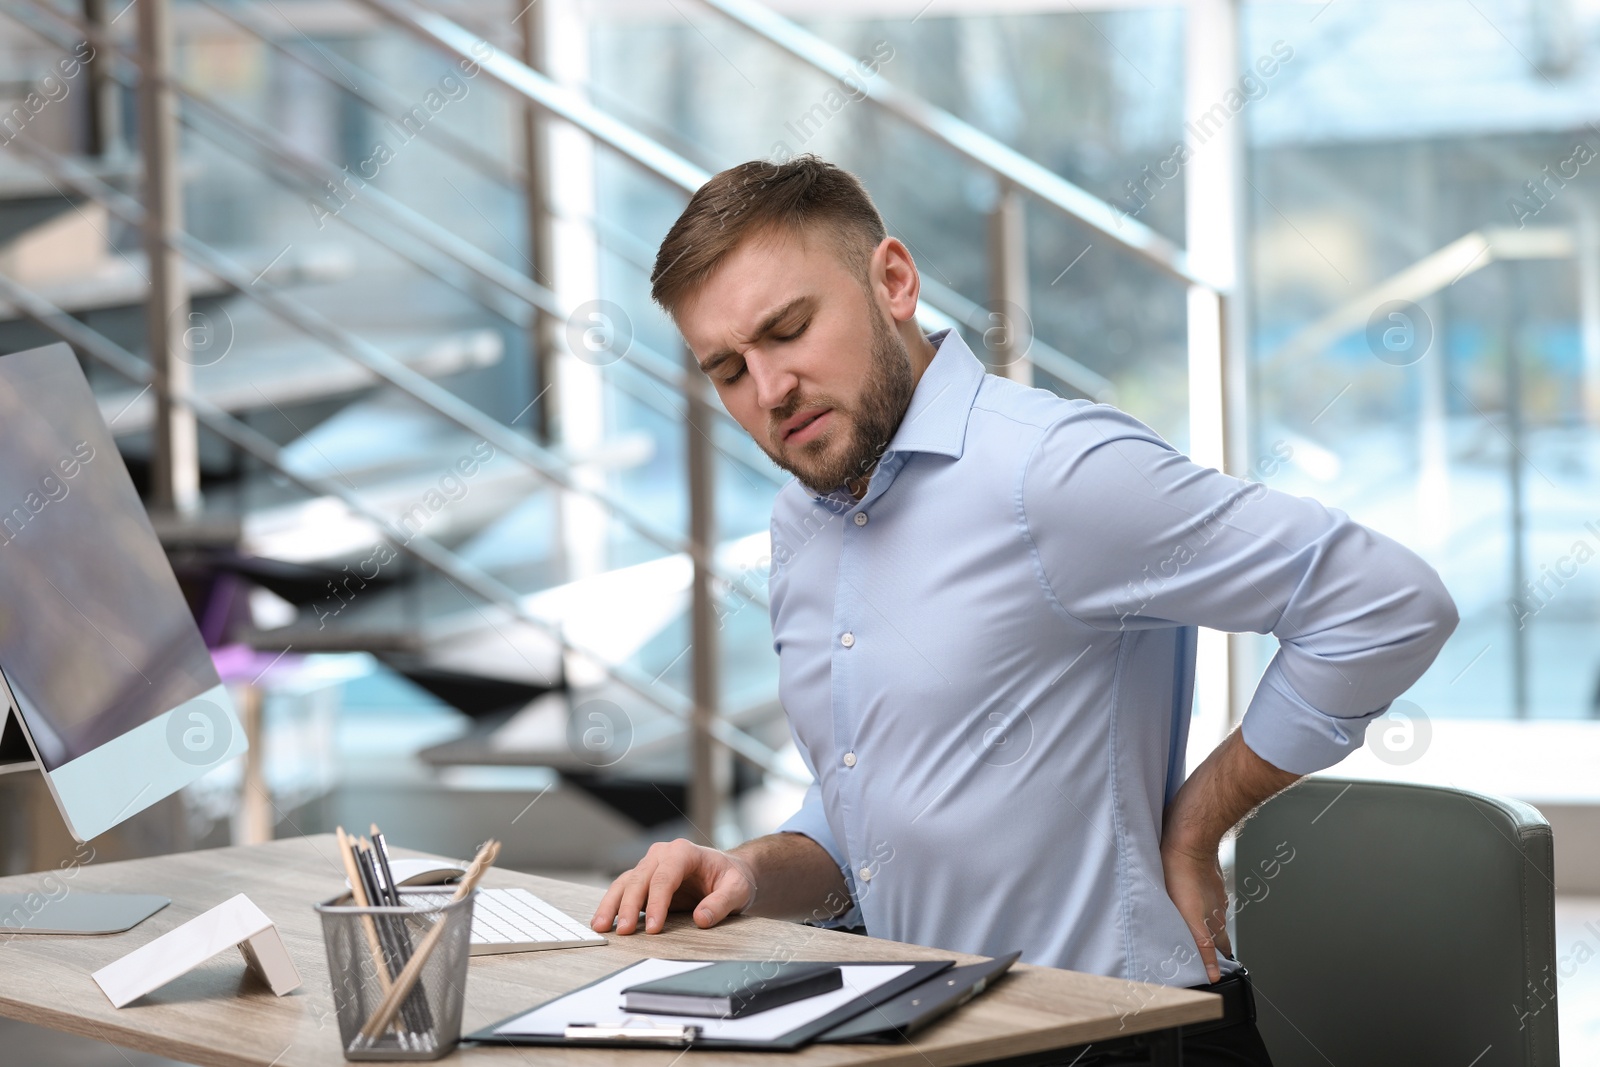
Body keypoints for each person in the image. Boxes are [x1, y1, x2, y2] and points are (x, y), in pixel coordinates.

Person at [589, 156, 1458, 1065]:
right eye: (728, 369)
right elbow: (872, 806)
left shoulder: (1052, 470)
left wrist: (1198, 822)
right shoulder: (801, 525)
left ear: (893, 279)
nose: (768, 392)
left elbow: (1386, 602)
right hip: (922, 1031)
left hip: (1114, 1034)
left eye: (790, 329)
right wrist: (752, 871)